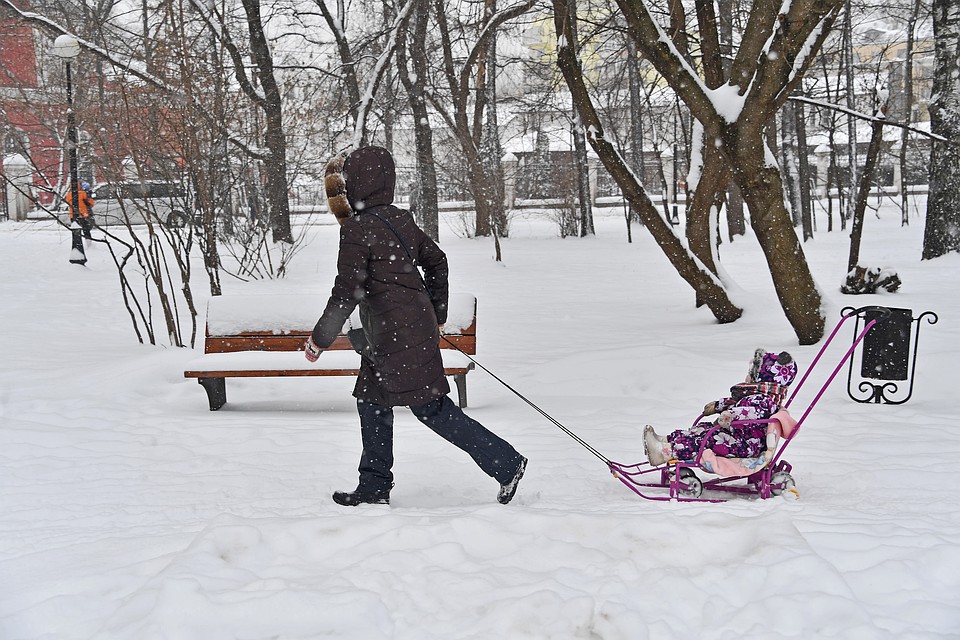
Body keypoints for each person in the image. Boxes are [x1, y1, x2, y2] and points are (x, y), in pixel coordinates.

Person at [305, 145, 527, 506]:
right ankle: (374, 486)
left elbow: (348, 291)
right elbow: (438, 262)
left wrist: (320, 339)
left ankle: (506, 462)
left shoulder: (358, 230)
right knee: (371, 402)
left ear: (357, 182)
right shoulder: (400, 219)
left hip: (396, 338)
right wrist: (435, 315)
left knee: (431, 409)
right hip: (398, 334)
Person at [644, 349, 798, 466]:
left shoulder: (763, 400)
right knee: (702, 429)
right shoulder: (757, 395)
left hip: (744, 444)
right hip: (736, 436)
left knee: (709, 439)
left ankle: (665, 452)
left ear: (763, 377)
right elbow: (736, 403)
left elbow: (750, 412)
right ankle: (665, 441)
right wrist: (718, 406)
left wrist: (730, 415)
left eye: (753, 372)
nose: (748, 375)